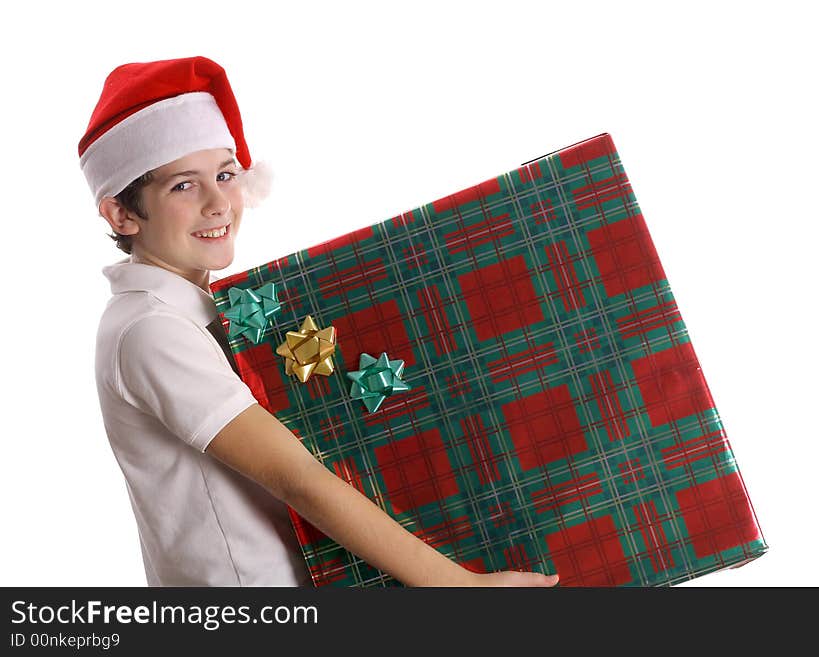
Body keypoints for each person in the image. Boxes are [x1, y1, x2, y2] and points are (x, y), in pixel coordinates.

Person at [82, 56, 559, 587]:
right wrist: (457, 587)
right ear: (122, 215)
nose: (219, 202)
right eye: (183, 186)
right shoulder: (151, 329)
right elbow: (297, 477)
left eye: (224, 174)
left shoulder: (202, 311)